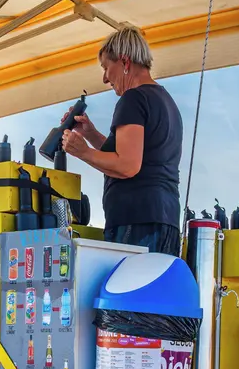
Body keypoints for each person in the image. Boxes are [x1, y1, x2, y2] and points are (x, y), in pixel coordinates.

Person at [61, 26, 183, 255]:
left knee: (127, 289)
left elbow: (128, 165)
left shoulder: (133, 99)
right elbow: (136, 154)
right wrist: (90, 133)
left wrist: (83, 152)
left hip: (135, 221)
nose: (105, 78)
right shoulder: (164, 100)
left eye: (107, 68)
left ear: (125, 63)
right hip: (165, 218)